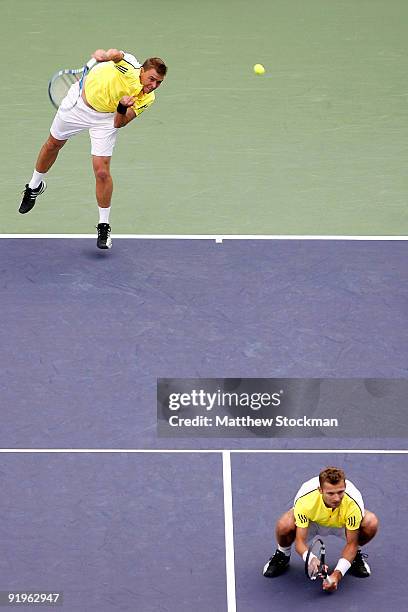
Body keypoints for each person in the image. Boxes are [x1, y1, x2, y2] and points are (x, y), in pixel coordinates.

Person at [19, 49, 167, 249]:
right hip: (78, 103)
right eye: (152, 79)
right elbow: (117, 55)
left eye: (159, 82)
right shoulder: (130, 66)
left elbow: (118, 123)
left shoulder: (148, 98)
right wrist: (105, 56)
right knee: (53, 144)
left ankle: (103, 225)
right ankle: (34, 186)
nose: (153, 86)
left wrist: (122, 107)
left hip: (106, 118)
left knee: (102, 171)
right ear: (142, 71)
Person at [262, 467, 379, 592]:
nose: (336, 498)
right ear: (320, 490)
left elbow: (352, 543)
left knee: (370, 522)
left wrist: (337, 575)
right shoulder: (305, 500)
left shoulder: (353, 502)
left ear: (345, 487)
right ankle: (283, 555)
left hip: (342, 525)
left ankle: (353, 557)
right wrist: (311, 559)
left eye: (340, 492)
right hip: (313, 523)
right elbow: (300, 542)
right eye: (330, 493)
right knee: (284, 524)